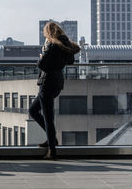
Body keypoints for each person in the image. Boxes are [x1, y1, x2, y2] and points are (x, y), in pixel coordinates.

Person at [29, 22, 80, 160]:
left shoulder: (51, 44)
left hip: (47, 82)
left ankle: (52, 149)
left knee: (47, 117)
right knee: (33, 111)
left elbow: (41, 64)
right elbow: (70, 61)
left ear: (48, 32)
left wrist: (41, 56)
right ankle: (52, 140)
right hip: (57, 82)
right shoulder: (65, 44)